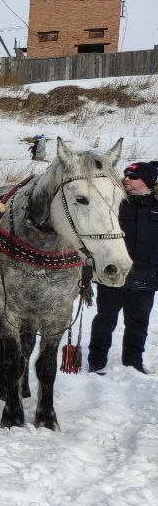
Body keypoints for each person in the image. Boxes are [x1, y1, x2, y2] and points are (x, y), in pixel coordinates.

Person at [88, 160, 157, 374]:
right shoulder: (113, 203)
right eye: (125, 175)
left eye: (133, 176)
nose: (126, 179)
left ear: (147, 181)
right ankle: (97, 362)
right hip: (114, 273)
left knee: (138, 323)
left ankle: (133, 362)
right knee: (105, 320)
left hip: (147, 276)